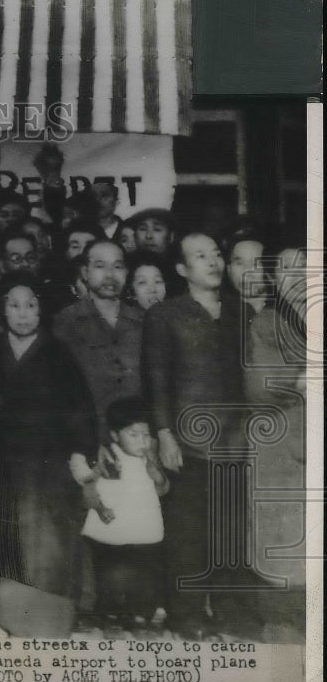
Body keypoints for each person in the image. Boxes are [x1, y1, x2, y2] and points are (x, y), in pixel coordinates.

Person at [142, 232, 258, 639]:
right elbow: (156, 380)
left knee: (228, 534)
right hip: (187, 445)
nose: (212, 262)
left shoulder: (241, 311)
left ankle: (228, 614)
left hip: (233, 442)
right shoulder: (165, 315)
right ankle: (186, 617)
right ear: (181, 269)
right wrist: (164, 435)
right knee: (187, 537)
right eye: (199, 256)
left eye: (215, 254)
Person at [0, 274, 97, 637]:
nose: (22, 313)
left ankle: (49, 625)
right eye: (13, 305)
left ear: (40, 309)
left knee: (50, 542)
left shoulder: (58, 353)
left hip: (50, 465)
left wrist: (80, 454)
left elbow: (80, 409)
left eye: (30, 305)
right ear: (2, 310)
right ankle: (12, 620)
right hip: (3, 462)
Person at [243, 244, 307, 643]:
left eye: (306, 267)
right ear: (272, 279)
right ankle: (282, 632)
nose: (297, 276)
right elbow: (260, 386)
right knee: (283, 547)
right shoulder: (266, 324)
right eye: (285, 269)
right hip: (282, 450)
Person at [81, 397, 168, 631]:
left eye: (145, 435)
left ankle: (140, 613)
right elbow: (88, 488)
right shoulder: (107, 457)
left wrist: (156, 474)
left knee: (144, 572)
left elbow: (162, 489)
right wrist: (100, 508)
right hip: (112, 528)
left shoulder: (149, 456)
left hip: (143, 527)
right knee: (112, 573)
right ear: (115, 435)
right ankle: (109, 614)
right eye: (133, 435)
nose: (142, 442)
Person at [53, 240, 144, 447]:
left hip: (140, 441)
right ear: (85, 272)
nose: (110, 275)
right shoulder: (65, 323)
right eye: (100, 266)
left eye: (118, 266)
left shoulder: (143, 321)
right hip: (90, 440)